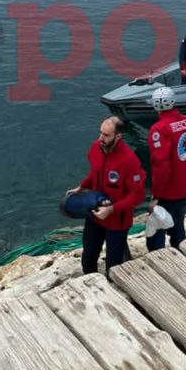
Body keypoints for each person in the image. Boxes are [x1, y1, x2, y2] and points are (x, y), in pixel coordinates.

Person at [66, 116, 146, 277]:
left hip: (117, 221)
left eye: (106, 135)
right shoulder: (95, 148)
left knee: (114, 265)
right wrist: (81, 186)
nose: (100, 138)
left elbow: (138, 195)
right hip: (94, 214)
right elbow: (94, 173)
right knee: (88, 256)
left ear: (118, 136)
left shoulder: (129, 160)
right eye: (100, 133)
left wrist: (111, 209)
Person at [146, 86, 186, 251]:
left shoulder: (158, 130)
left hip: (168, 190)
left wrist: (156, 195)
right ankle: (181, 251)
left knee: (156, 231)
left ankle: (159, 259)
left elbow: (161, 165)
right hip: (185, 185)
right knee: (178, 224)